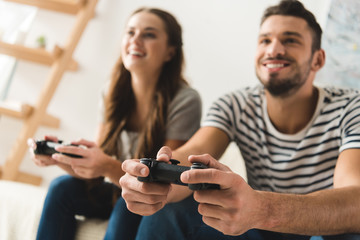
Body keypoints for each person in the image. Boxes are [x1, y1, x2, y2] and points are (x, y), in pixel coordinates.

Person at [120, 1, 360, 239]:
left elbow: (355, 200)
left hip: (319, 232)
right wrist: (159, 181)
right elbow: (194, 150)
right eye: (265, 40)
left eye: (290, 40)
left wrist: (262, 209)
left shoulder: (351, 107)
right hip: (255, 231)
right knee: (169, 211)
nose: (273, 50)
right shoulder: (234, 104)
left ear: (317, 59)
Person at [28, 7, 202, 240]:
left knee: (127, 203)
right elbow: (98, 168)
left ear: (170, 52)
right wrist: (61, 157)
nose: (136, 40)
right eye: (130, 32)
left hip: (153, 198)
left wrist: (107, 166)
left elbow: (166, 180)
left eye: (149, 34)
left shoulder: (185, 100)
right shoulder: (111, 92)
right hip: (115, 188)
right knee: (62, 187)